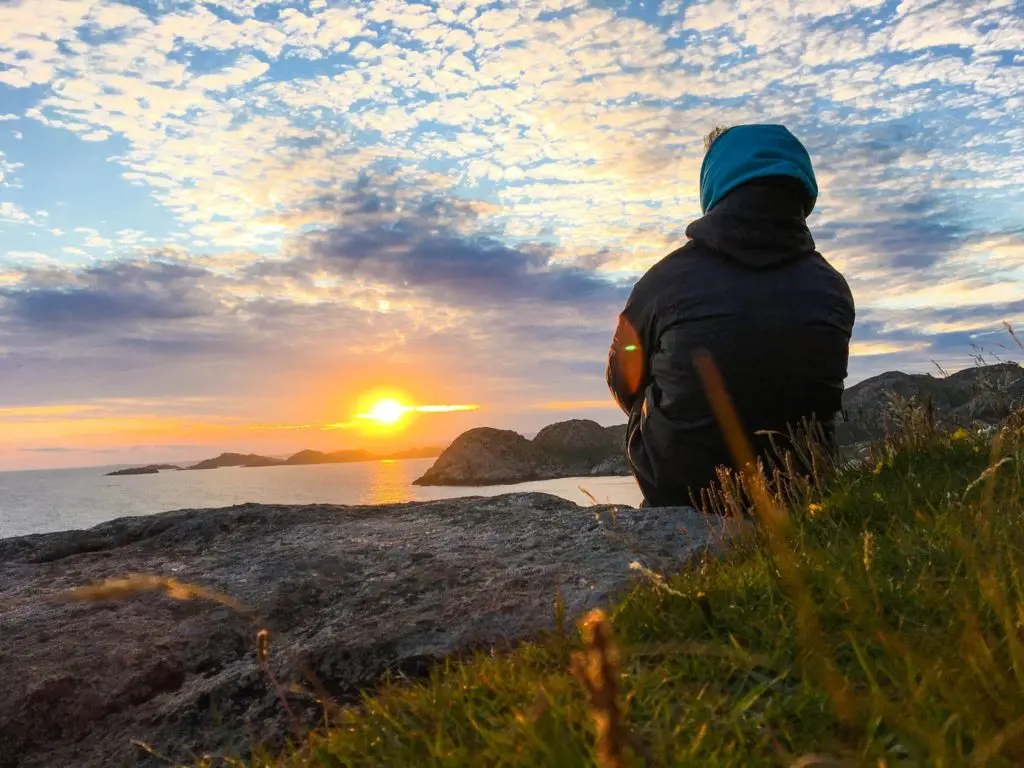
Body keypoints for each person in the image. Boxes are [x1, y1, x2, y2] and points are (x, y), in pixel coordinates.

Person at [606, 124, 855, 508]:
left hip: (685, 491)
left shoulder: (664, 281)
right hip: (801, 483)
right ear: (803, 188)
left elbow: (622, 379)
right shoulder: (832, 288)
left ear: (715, 186)